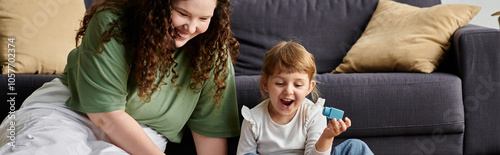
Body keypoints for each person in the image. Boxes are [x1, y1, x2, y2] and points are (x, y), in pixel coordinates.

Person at [0, 0, 240, 154]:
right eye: (182, 13)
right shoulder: (111, 22)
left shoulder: (213, 50)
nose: (190, 27)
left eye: (203, 19)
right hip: (70, 110)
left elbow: (211, 136)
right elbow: (106, 116)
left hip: (142, 133)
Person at [236, 41, 373, 155]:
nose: (288, 91)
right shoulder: (252, 119)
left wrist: (327, 136)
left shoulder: (313, 113)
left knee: (356, 147)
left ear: (309, 87)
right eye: (280, 83)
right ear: (265, 84)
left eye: (298, 84)